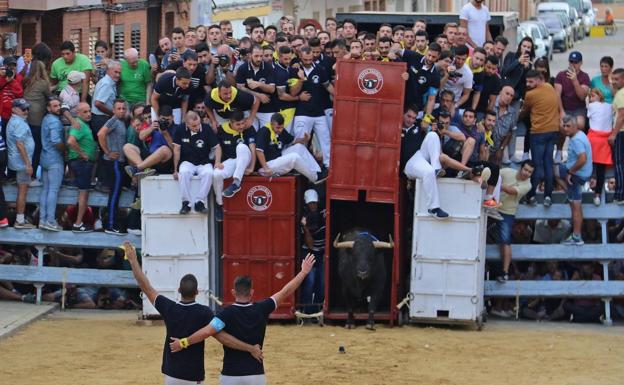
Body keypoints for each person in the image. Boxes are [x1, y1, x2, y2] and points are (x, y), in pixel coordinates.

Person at [123, 241, 263, 385]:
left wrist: (133, 261)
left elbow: (145, 286)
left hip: (172, 374)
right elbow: (223, 337)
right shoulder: (204, 313)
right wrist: (250, 348)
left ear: (178, 290)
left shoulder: (169, 308)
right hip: (193, 375)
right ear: (197, 292)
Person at [169, 253, 316, 385]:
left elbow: (207, 332)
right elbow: (285, 291)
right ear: (251, 292)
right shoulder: (262, 308)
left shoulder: (225, 314)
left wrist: (183, 342)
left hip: (231, 374)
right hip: (255, 374)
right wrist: (303, 272)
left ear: (233, 292)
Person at [521, 70, 561, 207]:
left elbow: (524, 112)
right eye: (527, 81)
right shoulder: (549, 87)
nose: (528, 84)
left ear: (538, 80)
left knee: (537, 166)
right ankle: (548, 196)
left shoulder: (530, 95)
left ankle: (531, 195)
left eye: (531, 81)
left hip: (538, 133)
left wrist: (516, 119)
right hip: (553, 131)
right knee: (548, 164)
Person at [292, 46, 334, 168]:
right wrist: (300, 80)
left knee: (325, 141)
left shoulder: (320, 69)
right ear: (300, 57)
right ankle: (301, 167)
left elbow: (328, 86)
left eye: (310, 59)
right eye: (305, 60)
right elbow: (293, 93)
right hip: (302, 112)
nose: (308, 62)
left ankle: (328, 166)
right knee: (300, 141)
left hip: (319, 112)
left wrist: (340, 97)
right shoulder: (294, 70)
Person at [173, 111, 221, 215]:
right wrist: (175, 169)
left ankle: (200, 202)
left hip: (204, 161)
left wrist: (217, 162)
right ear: (187, 124)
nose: (197, 127)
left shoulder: (206, 129)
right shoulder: (180, 129)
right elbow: (176, 149)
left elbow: (217, 147)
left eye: (199, 124)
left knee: (209, 173)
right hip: (187, 161)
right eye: (194, 126)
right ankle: (186, 203)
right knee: (183, 173)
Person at [495, 160, 534, 283]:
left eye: (530, 172)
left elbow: (511, 191)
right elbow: (494, 174)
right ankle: (504, 272)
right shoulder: (507, 172)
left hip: (507, 212)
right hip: (491, 207)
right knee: (503, 240)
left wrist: (496, 185)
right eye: (526, 170)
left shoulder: (528, 185)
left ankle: (505, 272)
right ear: (520, 168)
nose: (527, 173)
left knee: (506, 240)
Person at [213, 110, 256, 221]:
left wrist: (251, 167)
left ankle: (236, 183)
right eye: (238, 124)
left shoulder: (249, 128)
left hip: (246, 158)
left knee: (241, 147)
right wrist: (217, 162)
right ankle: (219, 204)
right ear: (230, 123)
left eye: (243, 123)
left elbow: (253, 148)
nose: (241, 126)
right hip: (231, 161)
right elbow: (218, 148)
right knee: (216, 174)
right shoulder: (222, 130)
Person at [556, 115, 592, 246]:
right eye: (564, 126)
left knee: (575, 208)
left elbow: (582, 159)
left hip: (577, 176)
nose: (565, 129)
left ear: (575, 126)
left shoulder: (576, 140)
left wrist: (570, 172)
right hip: (580, 173)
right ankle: (569, 192)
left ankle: (577, 237)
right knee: (576, 206)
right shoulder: (579, 134)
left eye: (568, 126)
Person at [97, 99, 128, 235]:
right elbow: (101, 134)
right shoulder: (114, 120)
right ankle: (110, 225)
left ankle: (111, 223)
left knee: (117, 194)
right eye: (119, 108)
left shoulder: (121, 122)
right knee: (114, 194)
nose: (121, 111)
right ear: (114, 110)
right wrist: (107, 151)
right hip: (114, 162)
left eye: (123, 108)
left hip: (119, 162)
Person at [67, 103, 98, 233]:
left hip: (82, 163)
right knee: (83, 193)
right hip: (81, 163)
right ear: (78, 113)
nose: (89, 114)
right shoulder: (78, 125)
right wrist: (82, 153)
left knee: (83, 192)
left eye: (89, 111)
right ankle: (78, 223)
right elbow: (71, 141)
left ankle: (78, 222)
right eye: (85, 112)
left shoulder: (84, 125)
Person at [6, 99, 35, 229]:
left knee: (22, 189)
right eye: (23, 109)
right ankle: (20, 220)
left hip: (17, 161)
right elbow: (19, 144)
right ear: (14, 109)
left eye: (27, 108)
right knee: (23, 190)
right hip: (22, 163)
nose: (26, 111)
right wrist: (28, 164)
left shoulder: (16, 121)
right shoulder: (19, 123)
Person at [39, 97, 66, 232]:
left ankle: (42, 219)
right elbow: (56, 141)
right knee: (53, 191)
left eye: (59, 105)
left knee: (45, 189)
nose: (58, 108)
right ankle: (50, 220)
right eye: (55, 106)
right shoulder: (55, 122)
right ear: (49, 108)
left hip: (44, 157)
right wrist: (65, 149)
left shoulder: (45, 119)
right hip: (54, 159)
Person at [23, 59, 53, 180]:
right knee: (37, 148)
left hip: (25, 119)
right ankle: (33, 175)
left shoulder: (26, 81)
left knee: (26, 148)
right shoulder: (43, 83)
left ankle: (22, 175)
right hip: (37, 120)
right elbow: (49, 96)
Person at [124, 106, 173, 178]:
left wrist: (164, 131)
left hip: (164, 160)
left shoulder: (170, 125)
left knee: (164, 149)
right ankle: (144, 170)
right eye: (146, 118)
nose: (148, 120)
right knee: (127, 146)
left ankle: (138, 168)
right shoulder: (148, 127)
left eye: (150, 117)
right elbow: (141, 136)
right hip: (150, 159)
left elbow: (174, 147)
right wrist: (152, 128)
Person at [235, 45, 276, 128]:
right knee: (250, 130)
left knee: (268, 132)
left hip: (266, 107)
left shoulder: (268, 67)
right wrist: (258, 95)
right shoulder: (243, 68)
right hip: (248, 107)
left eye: (261, 56)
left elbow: (272, 89)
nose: (259, 59)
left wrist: (259, 84)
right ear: (250, 55)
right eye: (256, 56)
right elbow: (239, 88)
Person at [300, 189, 325, 314]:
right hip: (310, 253)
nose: (313, 205)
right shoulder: (304, 219)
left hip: (322, 253)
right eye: (310, 203)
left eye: (314, 202)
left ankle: (318, 309)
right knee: (310, 281)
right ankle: (307, 311)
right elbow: (310, 245)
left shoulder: (324, 213)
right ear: (306, 204)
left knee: (322, 283)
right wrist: (305, 228)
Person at [587, 88, 613, 206]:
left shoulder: (591, 106)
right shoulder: (609, 106)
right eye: (590, 96)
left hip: (594, 139)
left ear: (599, 96)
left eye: (593, 95)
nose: (591, 98)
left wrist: (588, 102)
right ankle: (597, 194)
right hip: (605, 141)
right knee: (600, 170)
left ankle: (595, 191)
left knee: (590, 166)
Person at [554, 51, 590, 133]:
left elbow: (582, 96)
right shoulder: (561, 75)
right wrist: (561, 111)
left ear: (581, 63)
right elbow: (557, 95)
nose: (573, 64)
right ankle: (560, 146)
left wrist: (575, 81)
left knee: (580, 124)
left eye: (576, 62)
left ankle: (576, 143)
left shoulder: (585, 76)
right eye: (571, 61)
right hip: (564, 108)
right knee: (561, 126)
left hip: (578, 108)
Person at [91, 60, 121, 139]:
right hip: (101, 118)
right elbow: (98, 103)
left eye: (119, 73)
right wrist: (113, 114)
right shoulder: (107, 83)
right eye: (115, 72)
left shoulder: (107, 81)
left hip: (99, 117)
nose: (118, 75)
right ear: (108, 70)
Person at [611, 68, 624, 205]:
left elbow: (621, 115)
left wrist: (614, 134)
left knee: (619, 163)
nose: (613, 82)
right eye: (612, 79)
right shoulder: (620, 93)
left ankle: (620, 194)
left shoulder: (621, 94)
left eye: (616, 79)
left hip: (621, 132)